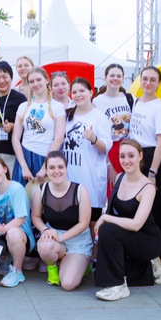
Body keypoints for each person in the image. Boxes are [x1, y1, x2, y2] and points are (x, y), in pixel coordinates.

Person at [94, 139, 161, 301]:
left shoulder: (148, 187)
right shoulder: (119, 177)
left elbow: (136, 224)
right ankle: (148, 268)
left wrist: (105, 217)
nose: (126, 161)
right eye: (122, 156)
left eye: (131, 156)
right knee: (100, 277)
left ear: (140, 156)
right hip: (127, 236)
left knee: (108, 229)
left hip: (148, 240)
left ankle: (118, 286)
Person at [129, 66, 161, 277]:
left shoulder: (159, 108)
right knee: (140, 209)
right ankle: (146, 255)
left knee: (159, 210)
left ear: (159, 83)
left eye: (153, 79)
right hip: (137, 157)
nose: (148, 83)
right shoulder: (137, 101)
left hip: (153, 158)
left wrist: (152, 173)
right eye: (145, 78)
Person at [31, 151, 92, 290]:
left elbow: (84, 223)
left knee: (68, 284)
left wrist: (60, 237)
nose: (56, 171)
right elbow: (35, 216)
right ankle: (52, 270)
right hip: (54, 237)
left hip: (78, 242)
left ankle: (83, 266)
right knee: (44, 245)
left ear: (66, 168)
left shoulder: (80, 190)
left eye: (60, 167)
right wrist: (46, 230)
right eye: (52, 167)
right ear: (46, 170)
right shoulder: (41, 190)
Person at [62, 78, 112, 244]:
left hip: (91, 180)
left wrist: (94, 139)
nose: (78, 95)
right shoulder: (67, 115)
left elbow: (106, 148)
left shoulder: (99, 117)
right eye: (74, 92)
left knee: (92, 224)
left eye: (82, 91)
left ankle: (95, 257)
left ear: (91, 92)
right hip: (70, 179)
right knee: (72, 220)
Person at [0, 156, 35, 288]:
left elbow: (20, 219)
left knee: (13, 233)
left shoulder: (17, 189)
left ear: (5, 169)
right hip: (3, 235)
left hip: (22, 236)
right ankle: (5, 258)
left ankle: (17, 271)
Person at [12, 67, 65, 186]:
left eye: (38, 80)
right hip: (25, 156)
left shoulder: (57, 107)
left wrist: (45, 166)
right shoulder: (23, 106)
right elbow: (15, 138)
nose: (35, 84)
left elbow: (59, 138)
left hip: (45, 156)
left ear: (47, 80)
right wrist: (23, 166)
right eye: (31, 81)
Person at [93, 63, 133, 194]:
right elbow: (98, 134)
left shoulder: (129, 98)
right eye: (112, 75)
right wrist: (108, 164)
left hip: (128, 148)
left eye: (119, 76)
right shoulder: (97, 102)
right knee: (112, 190)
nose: (115, 79)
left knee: (129, 190)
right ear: (105, 77)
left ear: (123, 79)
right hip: (110, 150)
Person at [0, 61, 27, 174]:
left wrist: (13, 126)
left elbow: (27, 124)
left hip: (12, 152)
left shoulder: (20, 99)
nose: (1, 81)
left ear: (11, 77)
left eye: (5, 77)